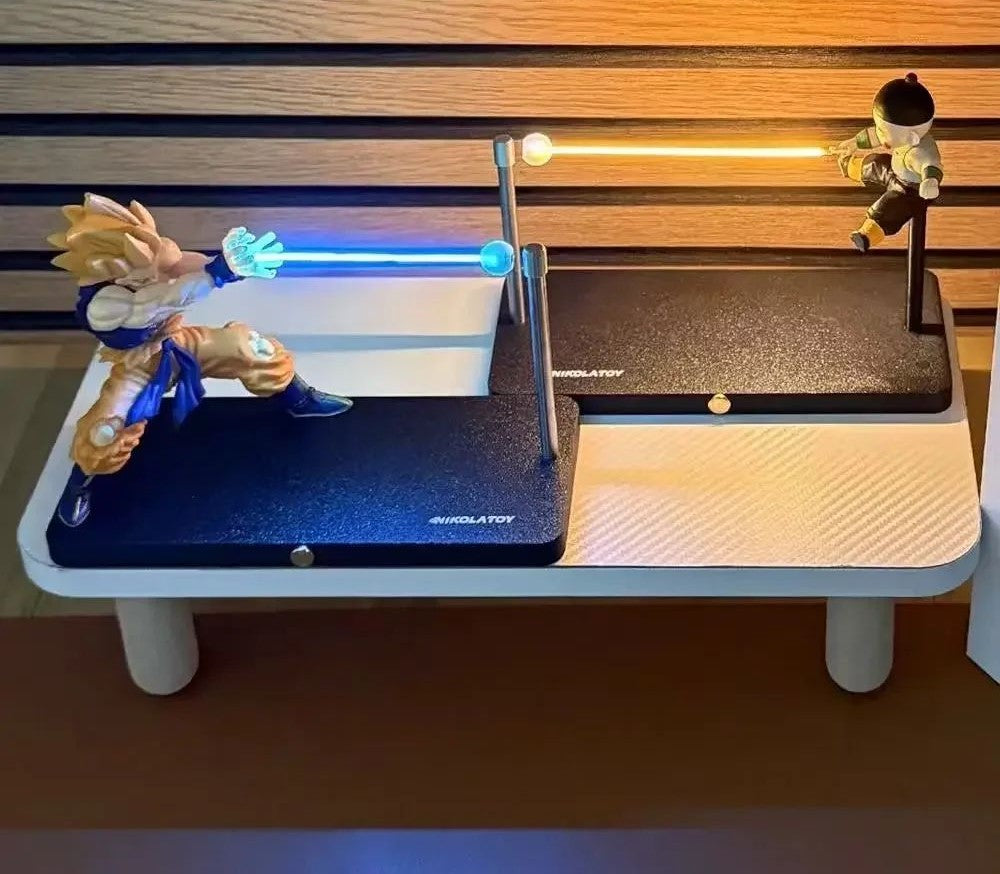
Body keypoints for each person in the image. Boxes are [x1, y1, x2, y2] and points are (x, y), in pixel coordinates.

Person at [50, 193, 352, 526]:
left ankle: (300, 400)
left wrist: (230, 262)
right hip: (139, 366)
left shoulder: (150, 255)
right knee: (105, 432)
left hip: (178, 344)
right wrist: (216, 274)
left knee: (252, 348)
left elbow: (183, 265)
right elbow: (161, 299)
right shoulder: (102, 304)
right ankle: (80, 484)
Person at [832, 72, 943, 251]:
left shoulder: (919, 152)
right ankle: (850, 166)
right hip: (895, 173)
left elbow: (931, 167)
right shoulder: (901, 137)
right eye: (880, 127)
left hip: (910, 192)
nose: (880, 134)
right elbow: (875, 136)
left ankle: (867, 236)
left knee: (887, 208)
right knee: (874, 163)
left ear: (912, 137)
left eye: (884, 131)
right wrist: (853, 143)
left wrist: (930, 182)